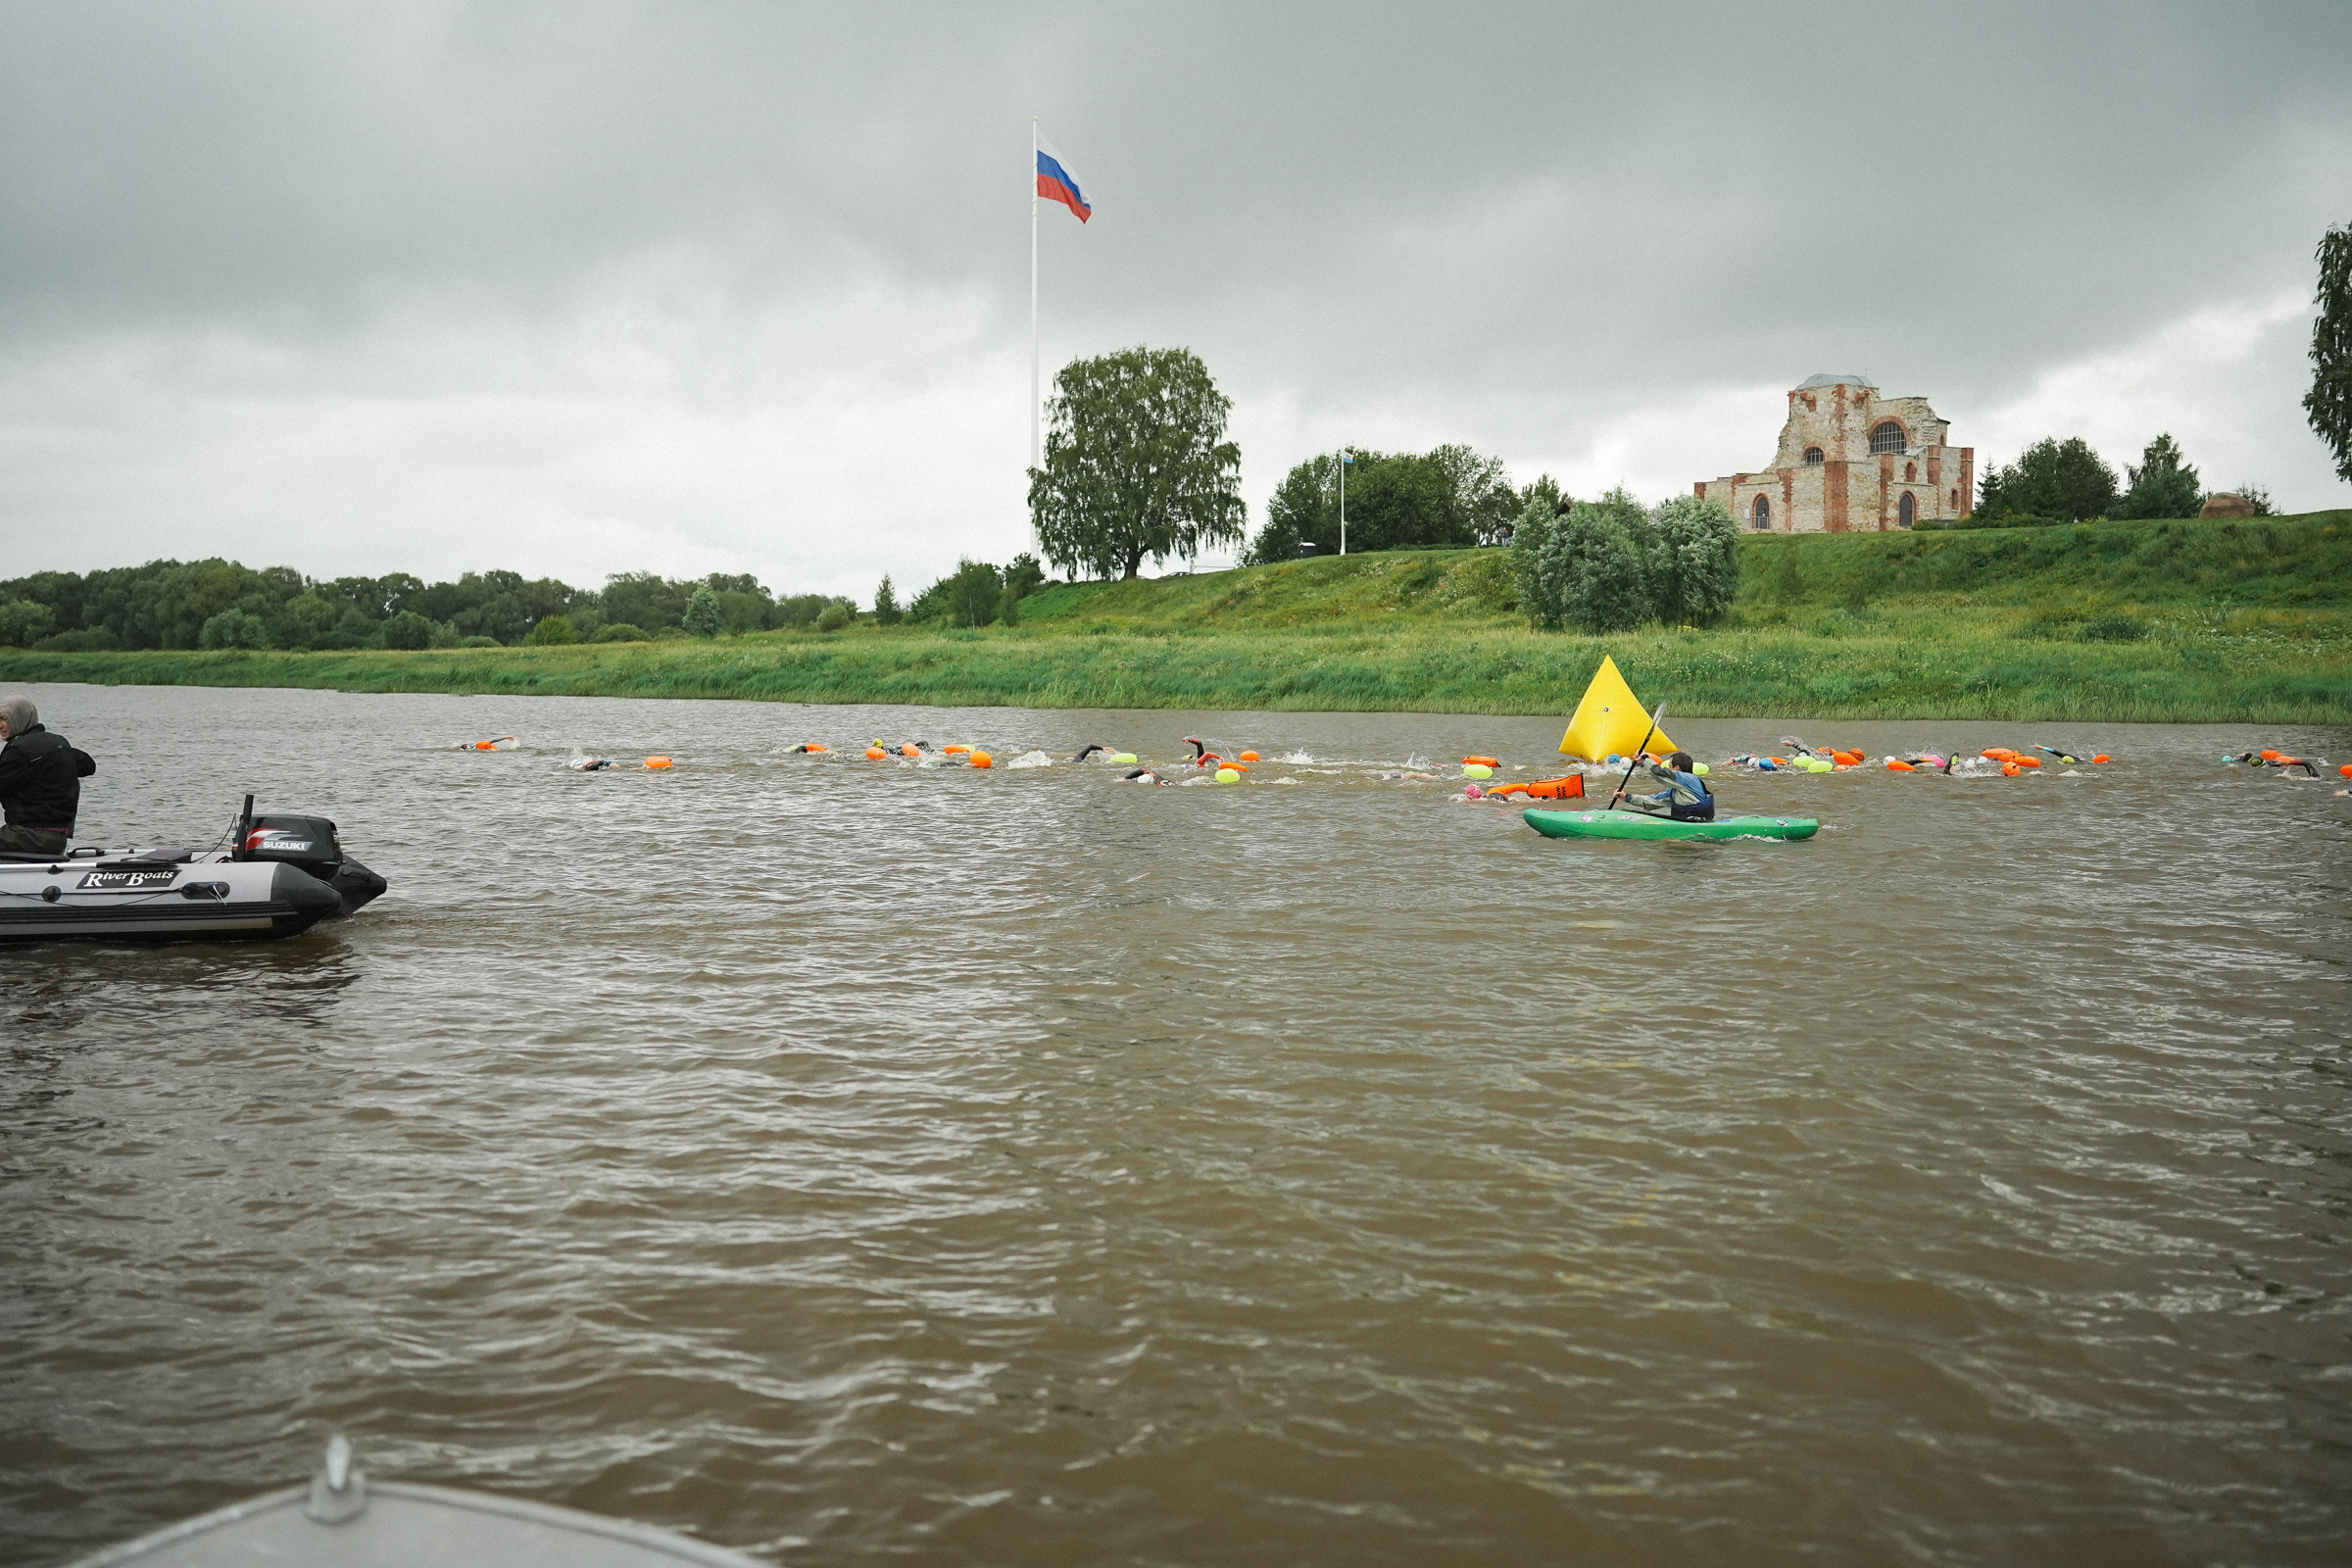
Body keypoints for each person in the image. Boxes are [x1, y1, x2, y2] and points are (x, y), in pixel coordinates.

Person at [0, 696, 97, 856]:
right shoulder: (58, 742)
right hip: (59, 839)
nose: (0, 725)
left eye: (4, 719)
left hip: (28, 837)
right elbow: (88, 766)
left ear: (18, 718)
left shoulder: (18, 750)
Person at [1611, 749, 1715, 821]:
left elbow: (1658, 772)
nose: (1668, 769)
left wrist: (1645, 758)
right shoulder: (1677, 790)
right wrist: (1627, 797)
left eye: (1670, 767)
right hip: (1689, 822)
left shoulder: (1686, 778)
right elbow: (1654, 801)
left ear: (1677, 768)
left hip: (1698, 823)